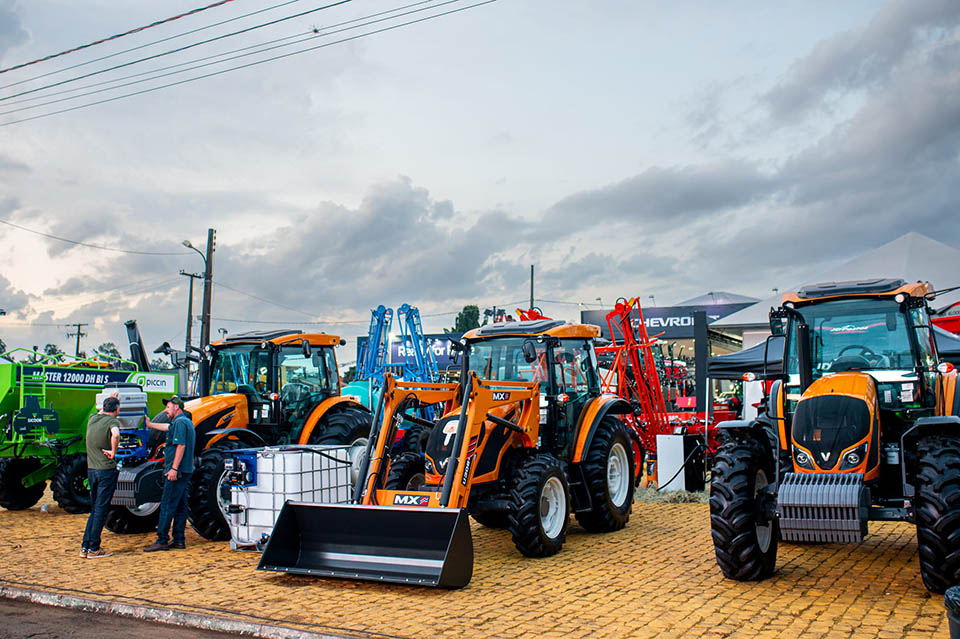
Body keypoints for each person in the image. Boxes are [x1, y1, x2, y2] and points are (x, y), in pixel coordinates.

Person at [142, 396, 195, 552]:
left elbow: (180, 446)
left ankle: (162, 540)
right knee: (180, 506)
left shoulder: (179, 422)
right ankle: (179, 540)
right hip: (185, 470)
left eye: (168, 407)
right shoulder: (185, 422)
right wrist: (150, 424)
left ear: (177, 408)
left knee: (167, 505)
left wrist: (173, 469)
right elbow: (167, 427)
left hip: (176, 472)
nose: (165, 410)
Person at [81, 394, 121, 558]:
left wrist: (109, 398)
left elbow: (100, 409)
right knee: (101, 510)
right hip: (106, 470)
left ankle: (85, 547)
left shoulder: (93, 418)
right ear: (117, 410)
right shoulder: (113, 422)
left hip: (91, 470)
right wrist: (114, 451)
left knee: (94, 509)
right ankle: (94, 549)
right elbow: (116, 434)